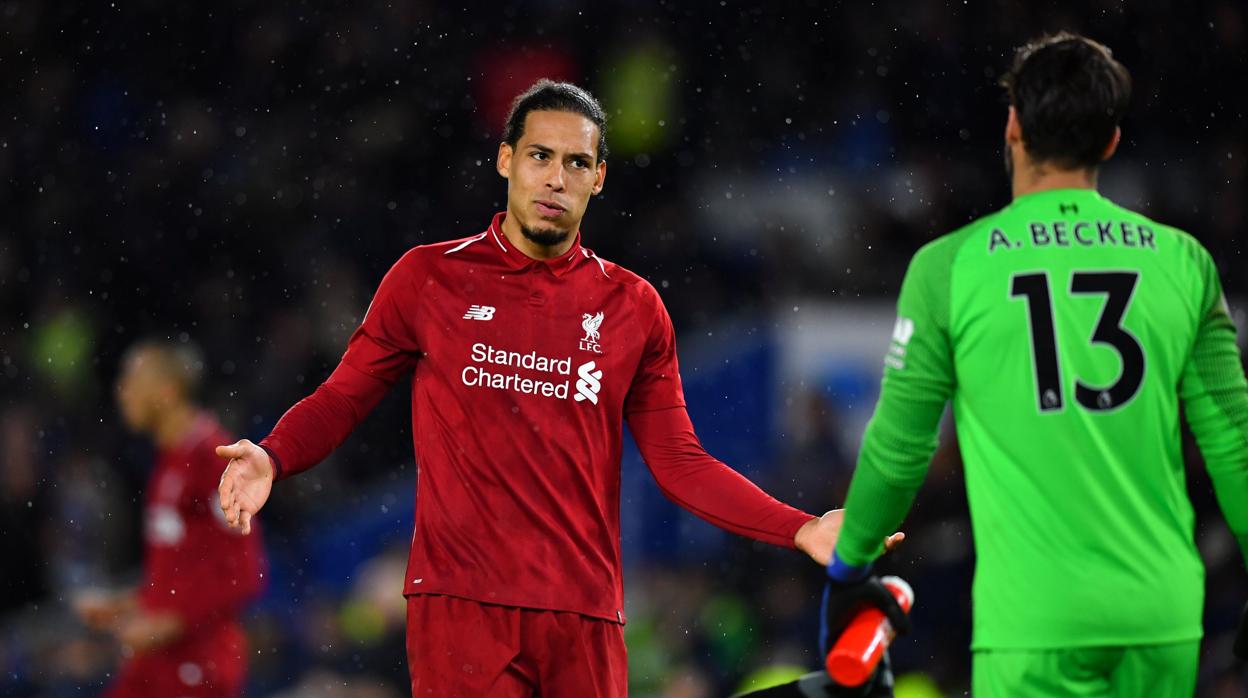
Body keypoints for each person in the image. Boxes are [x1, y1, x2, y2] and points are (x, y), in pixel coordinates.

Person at [216, 79, 901, 697]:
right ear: (506, 161)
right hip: (463, 607)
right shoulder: (429, 279)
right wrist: (274, 456)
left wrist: (803, 527)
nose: (556, 178)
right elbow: (344, 398)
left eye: (576, 163)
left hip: (586, 613)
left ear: (599, 178)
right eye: (540, 156)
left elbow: (681, 464)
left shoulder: (634, 308)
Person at [820, 32, 1248, 696]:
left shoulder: (950, 268)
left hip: (1034, 620)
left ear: (1013, 126)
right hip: (1160, 614)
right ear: (1110, 141)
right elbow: (1234, 445)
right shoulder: (1183, 261)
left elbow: (900, 450)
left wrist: (849, 568)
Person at [75, 339, 267, 697]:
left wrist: (168, 624)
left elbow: (245, 571)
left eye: (132, 381)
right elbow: (185, 569)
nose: (123, 393)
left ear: (167, 390)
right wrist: (128, 604)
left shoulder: (213, 461)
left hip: (198, 666)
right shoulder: (169, 463)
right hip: (161, 664)